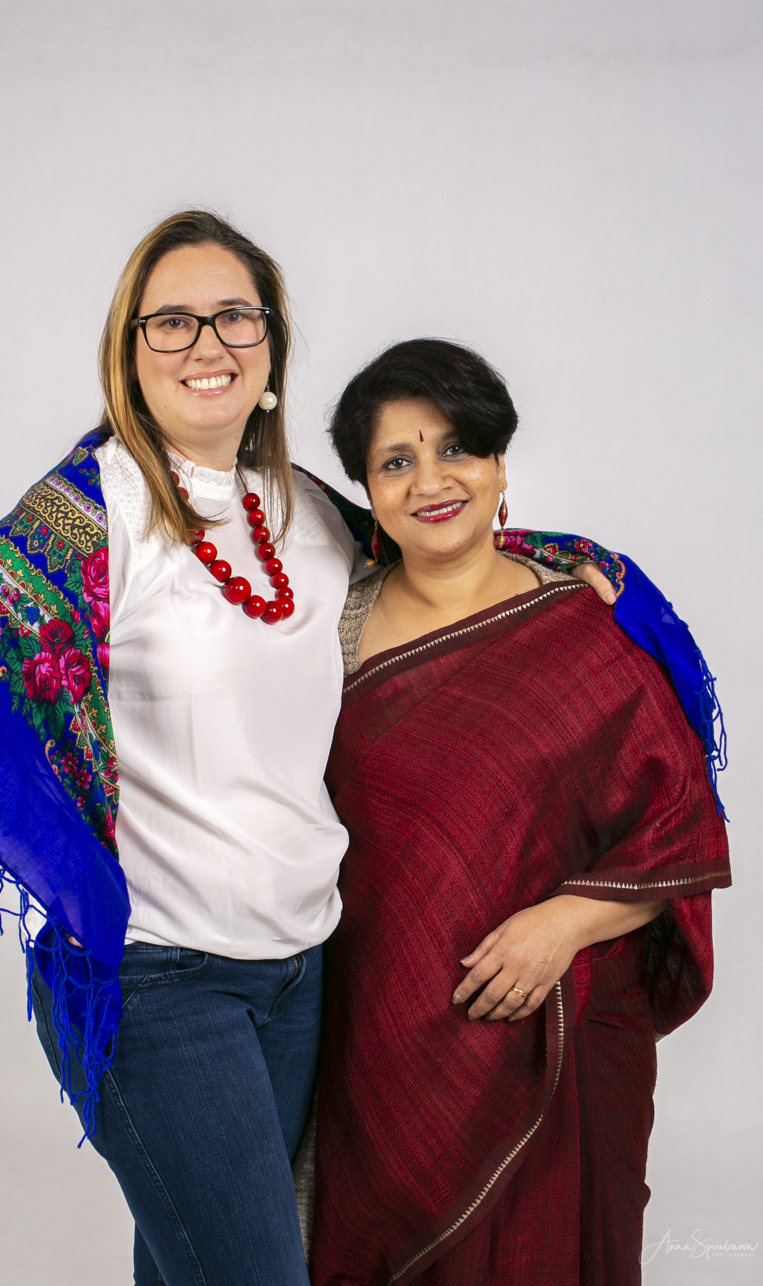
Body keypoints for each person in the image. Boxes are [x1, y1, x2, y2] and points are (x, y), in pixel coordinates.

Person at [0, 214, 698, 1286]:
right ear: (129, 352)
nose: (206, 344)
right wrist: (72, 867)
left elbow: (435, 545)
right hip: (161, 979)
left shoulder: (305, 511)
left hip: (301, 975)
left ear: (270, 346)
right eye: (171, 322)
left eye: (234, 316)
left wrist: (561, 562)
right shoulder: (91, 508)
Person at [309, 338, 730, 1285]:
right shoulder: (326, 634)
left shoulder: (587, 621)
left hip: (563, 1031)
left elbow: (678, 826)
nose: (431, 480)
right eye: (396, 461)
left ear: (500, 465)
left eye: (457, 448)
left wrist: (562, 925)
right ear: (367, 492)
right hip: (378, 1029)